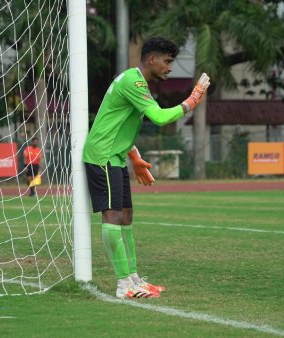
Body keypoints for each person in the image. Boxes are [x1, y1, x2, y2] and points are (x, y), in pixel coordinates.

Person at [82, 36, 210, 299]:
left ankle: (132, 278)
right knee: (113, 217)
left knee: (126, 215)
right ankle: (122, 285)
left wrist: (134, 155)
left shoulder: (136, 82)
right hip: (102, 156)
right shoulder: (134, 81)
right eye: (167, 61)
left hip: (116, 157)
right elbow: (161, 118)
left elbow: (119, 122)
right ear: (151, 59)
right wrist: (194, 99)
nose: (170, 67)